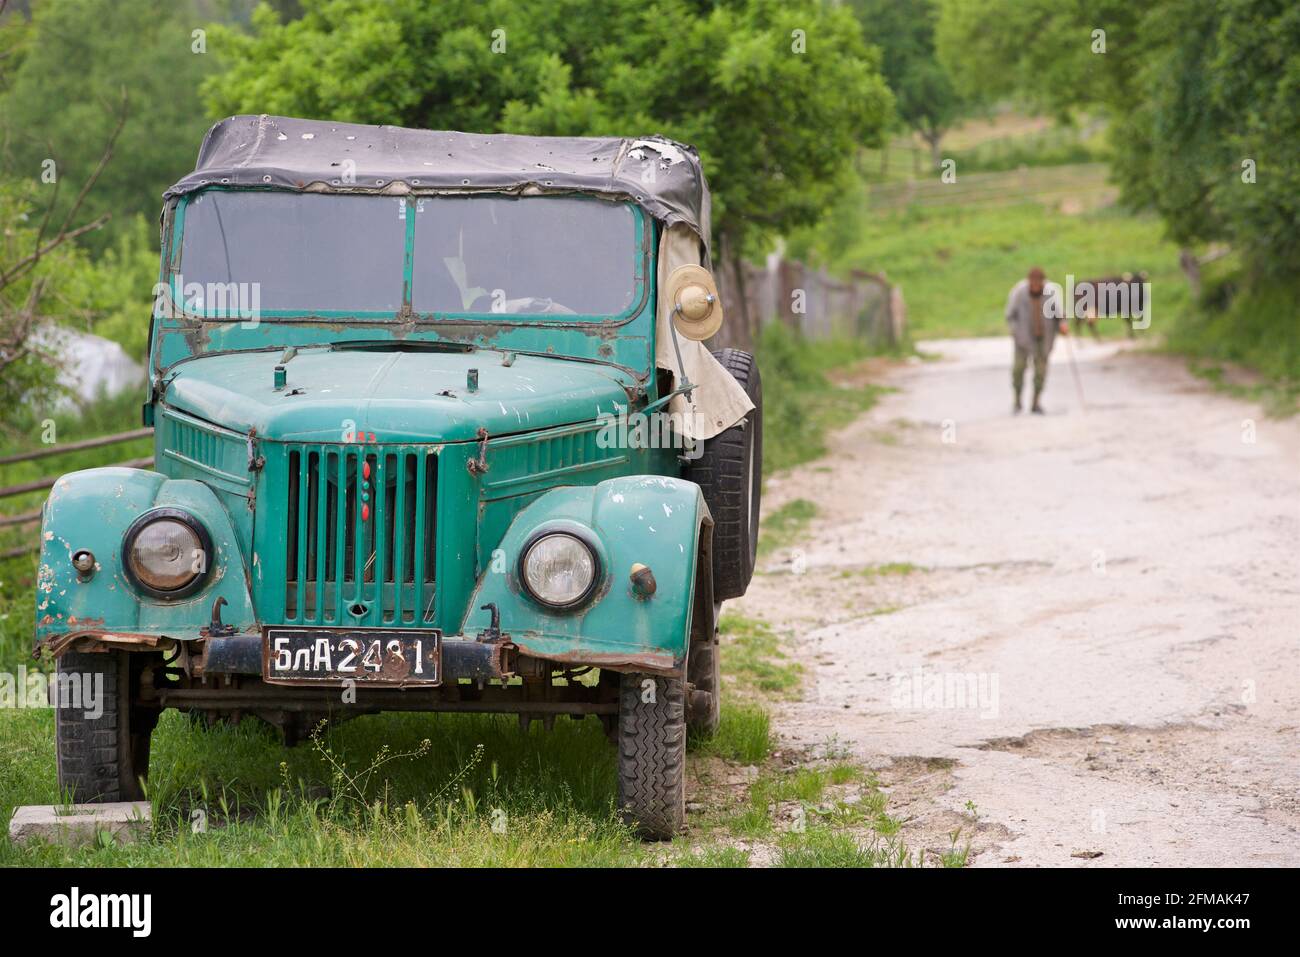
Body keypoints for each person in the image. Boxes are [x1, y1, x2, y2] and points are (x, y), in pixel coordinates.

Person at [1005, 267, 1067, 414]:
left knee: (1041, 372)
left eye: (1038, 284)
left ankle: (1035, 402)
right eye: (1033, 283)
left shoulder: (1051, 292)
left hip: (1043, 339)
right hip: (1023, 339)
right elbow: (1010, 315)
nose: (1035, 286)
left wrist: (1063, 325)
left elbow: (1059, 314)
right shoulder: (1019, 292)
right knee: (1018, 370)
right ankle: (1017, 401)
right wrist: (1015, 332)